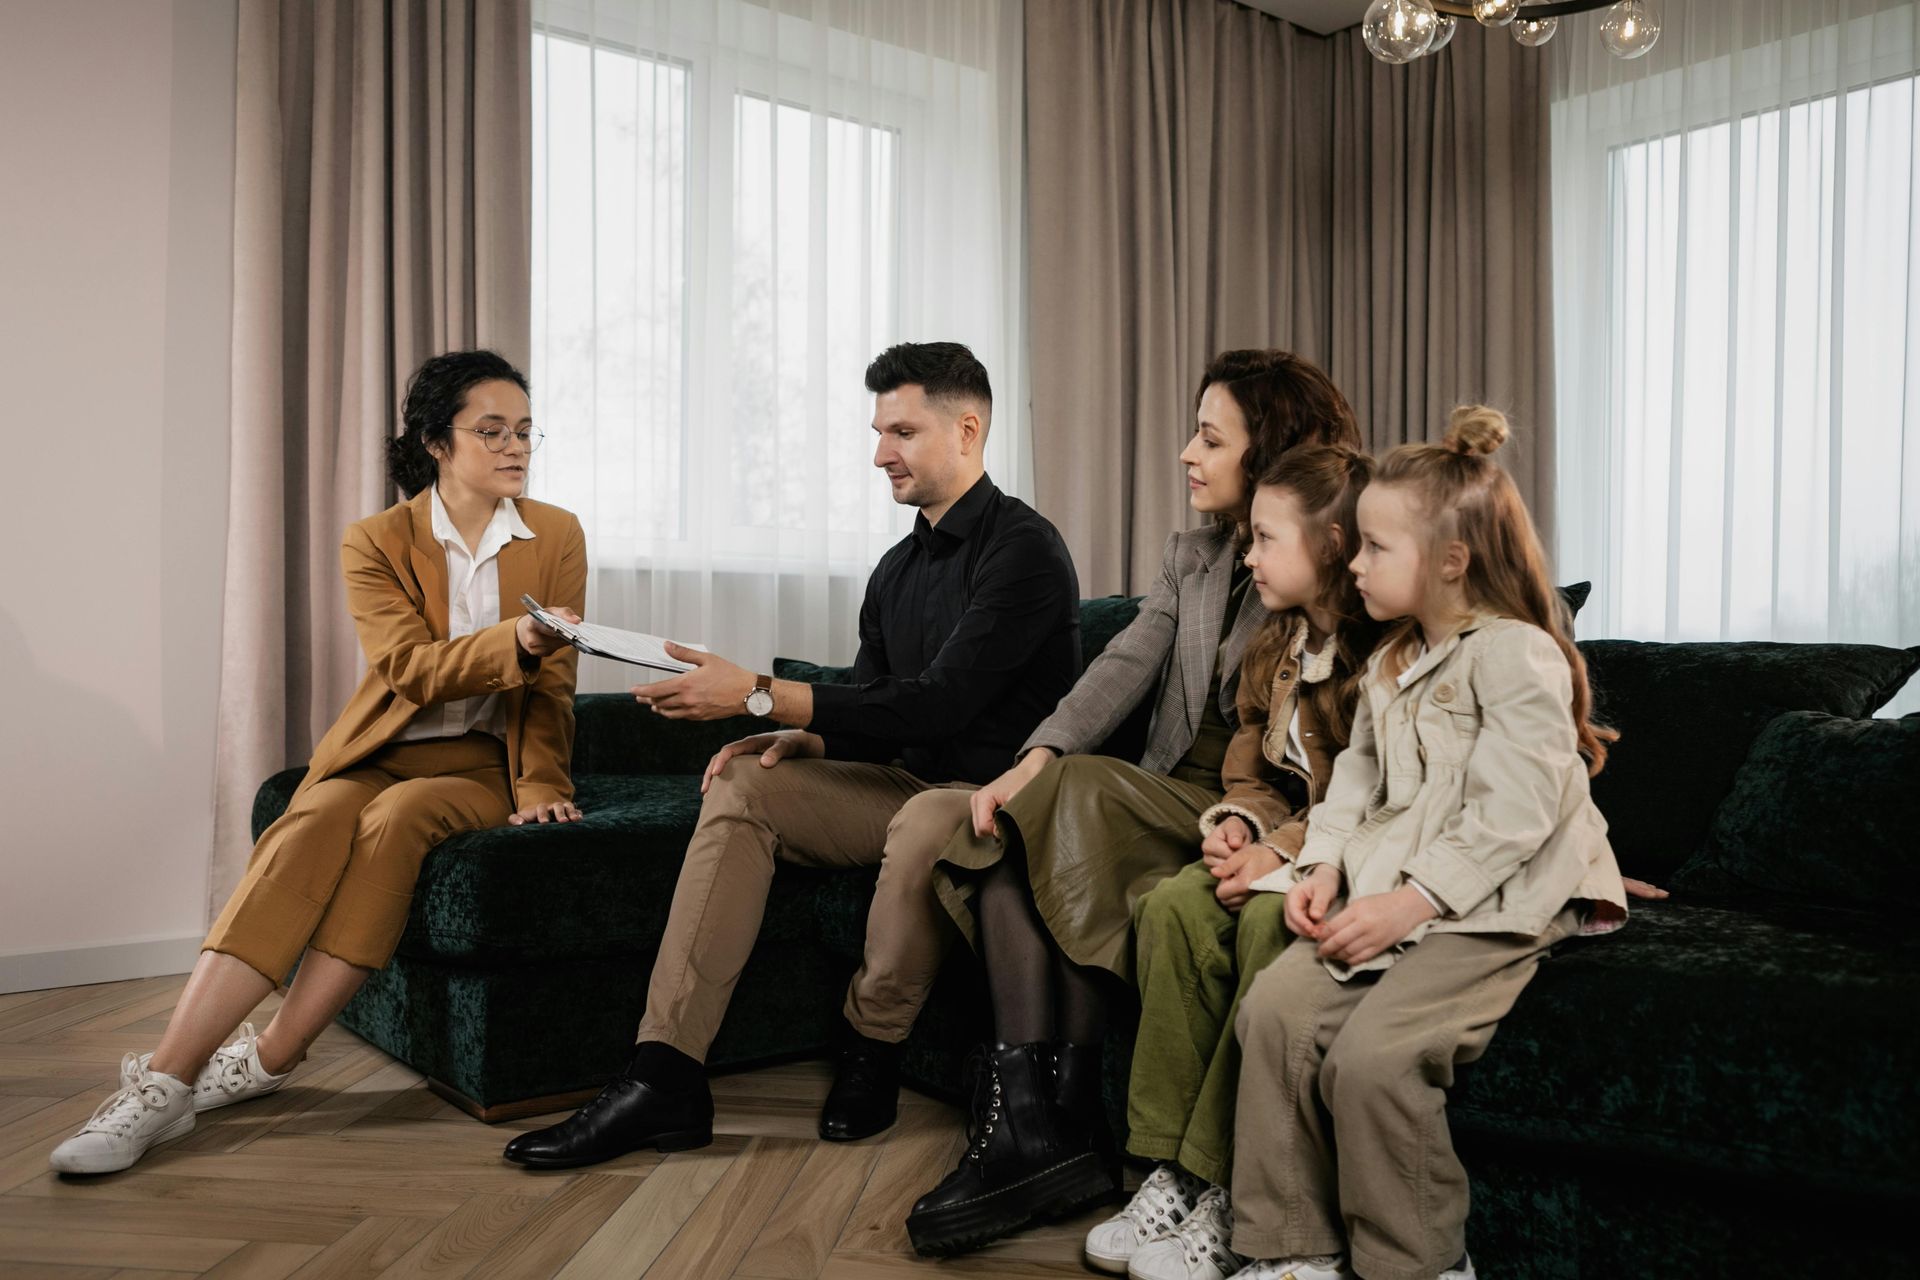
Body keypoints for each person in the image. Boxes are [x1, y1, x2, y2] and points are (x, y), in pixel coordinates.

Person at [502, 341, 1080, 1170]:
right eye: (878, 429)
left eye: (902, 431)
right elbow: (882, 711)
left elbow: (942, 703)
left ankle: (872, 1046)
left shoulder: (1025, 550)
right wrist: (799, 734)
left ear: (968, 428)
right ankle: (664, 1072)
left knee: (923, 817)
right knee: (745, 777)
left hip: (1001, 797)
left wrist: (759, 691)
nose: (880, 451)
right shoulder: (894, 570)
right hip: (910, 780)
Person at [51, 350, 588, 1175]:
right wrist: (511, 639)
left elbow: (553, 682)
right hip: (385, 749)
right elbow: (406, 668)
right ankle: (163, 1086)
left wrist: (545, 780)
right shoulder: (376, 540)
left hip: (486, 764)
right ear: (436, 443)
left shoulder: (556, 533)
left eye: (523, 429)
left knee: (398, 820)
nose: (515, 445)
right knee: (312, 820)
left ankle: (269, 1059)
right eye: (491, 430)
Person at [906, 351, 1363, 1256]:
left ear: (1268, 455)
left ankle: (1040, 1129)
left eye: (1210, 436)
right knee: (1015, 810)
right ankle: (1038, 1123)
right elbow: (1121, 668)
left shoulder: (1320, 573)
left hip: (1238, 797)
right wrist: (1032, 758)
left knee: (1050, 802)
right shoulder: (1194, 553)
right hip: (1176, 787)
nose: (1187, 453)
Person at [1225, 406, 1628, 1280]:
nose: (1355, 562)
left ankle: (1418, 1263)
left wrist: (1409, 903)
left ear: (1452, 560)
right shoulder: (1391, 660)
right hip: (1398, 880)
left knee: (1374, 1062)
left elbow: (1512, 819)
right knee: (1273, 1013)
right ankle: (1290, 1247)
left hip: (1496, 900)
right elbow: (1356, 784)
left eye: (1374, 548)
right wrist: (1323, 862)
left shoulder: (1518, 656)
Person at [1086, 446, 1384, 1279]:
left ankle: (1231, 1182)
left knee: (1263, 920)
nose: (1245, 556)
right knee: (1174, 905)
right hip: (1296, 845)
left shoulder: (1382, 655)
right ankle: (1168, 1171)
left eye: (1263, 539)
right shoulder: (1275, 647)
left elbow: (1375, 799)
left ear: (1330, 544)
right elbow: (1254, 774)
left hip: (1361, 856)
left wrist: (1276, 858)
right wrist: (1235, 826)